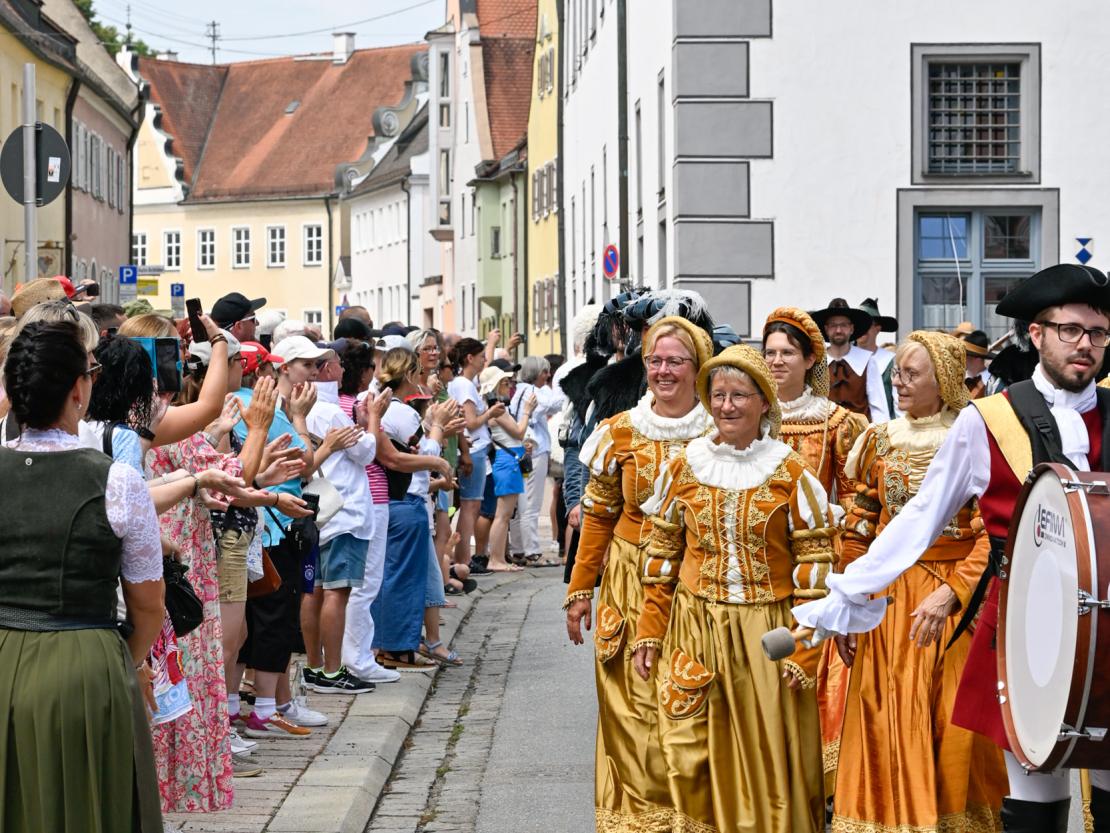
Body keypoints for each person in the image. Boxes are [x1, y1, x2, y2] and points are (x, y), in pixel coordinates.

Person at [793, 262, 1110, 832]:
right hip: (1025, 624)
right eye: (1070, 330)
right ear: (1036, 335)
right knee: (1035, 784)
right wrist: (851, 590)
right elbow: (920, 516)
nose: (1084, 345)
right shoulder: (989, 419)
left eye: (1097, 333)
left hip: (1109, 626)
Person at [629, 344, 834, 833]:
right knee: (689, 751)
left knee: (768, 755)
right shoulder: (684, 467)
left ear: (764, 402)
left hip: (768, 634)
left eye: (739, 395)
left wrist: (804, 651)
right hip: (697, 627)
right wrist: (649, 632)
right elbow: (661, 560)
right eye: (717, 395)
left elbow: (815, 568)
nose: (726, 406)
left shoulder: (790, 473)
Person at [831, 330, 1007, 832]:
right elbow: (861, 521)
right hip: (888, 600)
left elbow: (990, 536)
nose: (900, 383)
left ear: (944, 380)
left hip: (952, 601)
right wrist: (851, 592)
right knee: (883, 716)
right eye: (897, 374)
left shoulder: (975, 438)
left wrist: (955, 593)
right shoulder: (879, 439)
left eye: (912, 374)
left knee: (953, 721)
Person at [0, 320, 164, 832]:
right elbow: (147, 606)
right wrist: (120, 659)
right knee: (92, 808)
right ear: (78, 388)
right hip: (86, 665)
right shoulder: (117, 479)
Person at [564, 315, 715, 832]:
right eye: (655, 360)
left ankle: (692, 813)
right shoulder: (619, 432)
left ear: (699, 368)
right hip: (630, 580)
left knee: (691, 700)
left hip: (696, 585)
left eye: (676, 361)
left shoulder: (719, 433)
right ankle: (637, 819)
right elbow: (599, 516)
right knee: (630, 703)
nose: (663, 371)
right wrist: (580, 590)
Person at [762, 307, 867, 789]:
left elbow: (858, 499)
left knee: (814, 670)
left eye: (787, 353)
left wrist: (844, 565)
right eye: (770, 353)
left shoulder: (837, 423)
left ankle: (820, 785)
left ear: (810, 360)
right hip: (761, 564)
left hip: (817, 564)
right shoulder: (747, 414)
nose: (777, 361)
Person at [371, 348, 456, 671]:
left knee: (394, 576)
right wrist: (436, 427)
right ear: (409, 374)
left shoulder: (388, 409)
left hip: (396, 500)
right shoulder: (402, 414)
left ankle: (394, 645)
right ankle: (398, 647)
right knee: (405, 580)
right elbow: (425, 454)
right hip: (408, 499)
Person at [301, 343, 380, 693]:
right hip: (342, 509)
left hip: (320, 505)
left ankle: (316, 666)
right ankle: (333, 671)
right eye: (337, 363)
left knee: (314, 590)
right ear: (327, 369)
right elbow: (365, 453)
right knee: (337, 592)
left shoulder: (305, 408)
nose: (343, 368)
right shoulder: (329, 409)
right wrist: (372, 421)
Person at [336, 341, 402, 684]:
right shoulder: (356, 405)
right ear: (362, 372)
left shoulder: (340, 404)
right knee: (366, 581)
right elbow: (375, 450)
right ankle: (358, 656)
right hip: (370, 496)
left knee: (356, 582)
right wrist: (375, 417)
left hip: (359, 498)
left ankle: (355, 653)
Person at [448, 338, 503, 574]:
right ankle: (463, 559)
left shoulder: (463, 383)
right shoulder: (465, 385)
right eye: (481, 356)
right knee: (471, 506)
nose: (485, 360)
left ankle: (463, 558)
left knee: (471, 505)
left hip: (476, 448)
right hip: (476, 448)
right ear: (470, 358)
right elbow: (470, 423)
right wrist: (490, 413)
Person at [508, 355, 565, 567]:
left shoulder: (520, 391)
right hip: (535, 449)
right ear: (535, 373)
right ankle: (532, 550)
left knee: (520, 502)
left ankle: (519, 548)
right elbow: (556, 403)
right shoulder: (533, 392)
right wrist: (565, 382)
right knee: (531, 501)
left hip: (521, 448)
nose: (548, 376)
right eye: (544, 372)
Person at [480, 365, 537, 572]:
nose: (509, 386)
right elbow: (520, 431)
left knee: (504, 514)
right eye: (504, 383)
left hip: (507, 459)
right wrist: (527, 412)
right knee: (503, 515)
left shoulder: (496, 408)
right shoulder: (498, 409)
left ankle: (499, 558)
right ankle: (496, 559)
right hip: (507, 461)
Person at [811, 297, 889, 422]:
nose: (838, 330)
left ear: (851, 328)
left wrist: (880, 438)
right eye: (833, 325)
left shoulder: (868, 361)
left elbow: (878, 408)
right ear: (826, 329)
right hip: (823, 436)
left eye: (843, 325)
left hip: (859, 437)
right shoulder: (816, 361)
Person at [858, 298, 899, 415]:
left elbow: (898, 405)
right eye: (859, 324)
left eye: (867, 324)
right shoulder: (845, 360)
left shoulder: (891, 361)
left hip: (883, 429)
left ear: (878, 328)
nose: (862, 328)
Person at [960, 329, 997, 399]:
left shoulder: (993, 383)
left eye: (965, 355)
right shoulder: (960, 379)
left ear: (977, 358)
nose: (962, 358)